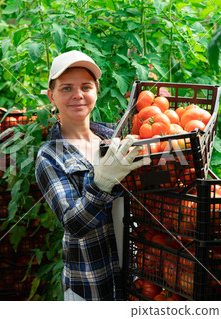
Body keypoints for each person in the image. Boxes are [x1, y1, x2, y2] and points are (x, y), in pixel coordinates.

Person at [35, 50, 148, 301]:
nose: (78, 95)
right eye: (66, 88)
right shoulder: (50, 156)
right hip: (91, 286)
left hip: (136, 281)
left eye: (86, 87)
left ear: (96, 91)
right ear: (51, 96)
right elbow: (74, 224)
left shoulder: (116, 137)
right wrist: (101, 183)